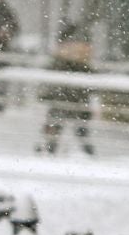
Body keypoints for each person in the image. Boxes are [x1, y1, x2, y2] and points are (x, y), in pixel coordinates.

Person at [39, 19, 96, 155]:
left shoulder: (71, 61)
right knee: (74, 127)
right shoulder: (68, 61)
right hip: (68, 99)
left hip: (69, 99)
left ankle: (52, 149)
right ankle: (52, 148)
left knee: (75, 128)